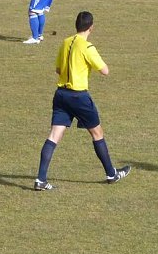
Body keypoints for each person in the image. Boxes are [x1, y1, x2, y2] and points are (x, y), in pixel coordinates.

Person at [33, 11, 131, 190]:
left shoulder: (65, 42)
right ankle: (111, 174)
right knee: (97, 133)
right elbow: (105, 71)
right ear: (91, 27)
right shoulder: (87, 47)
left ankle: (41, 179)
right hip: (79, 96)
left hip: (61, 94)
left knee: (54, 135)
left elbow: (58, 69)